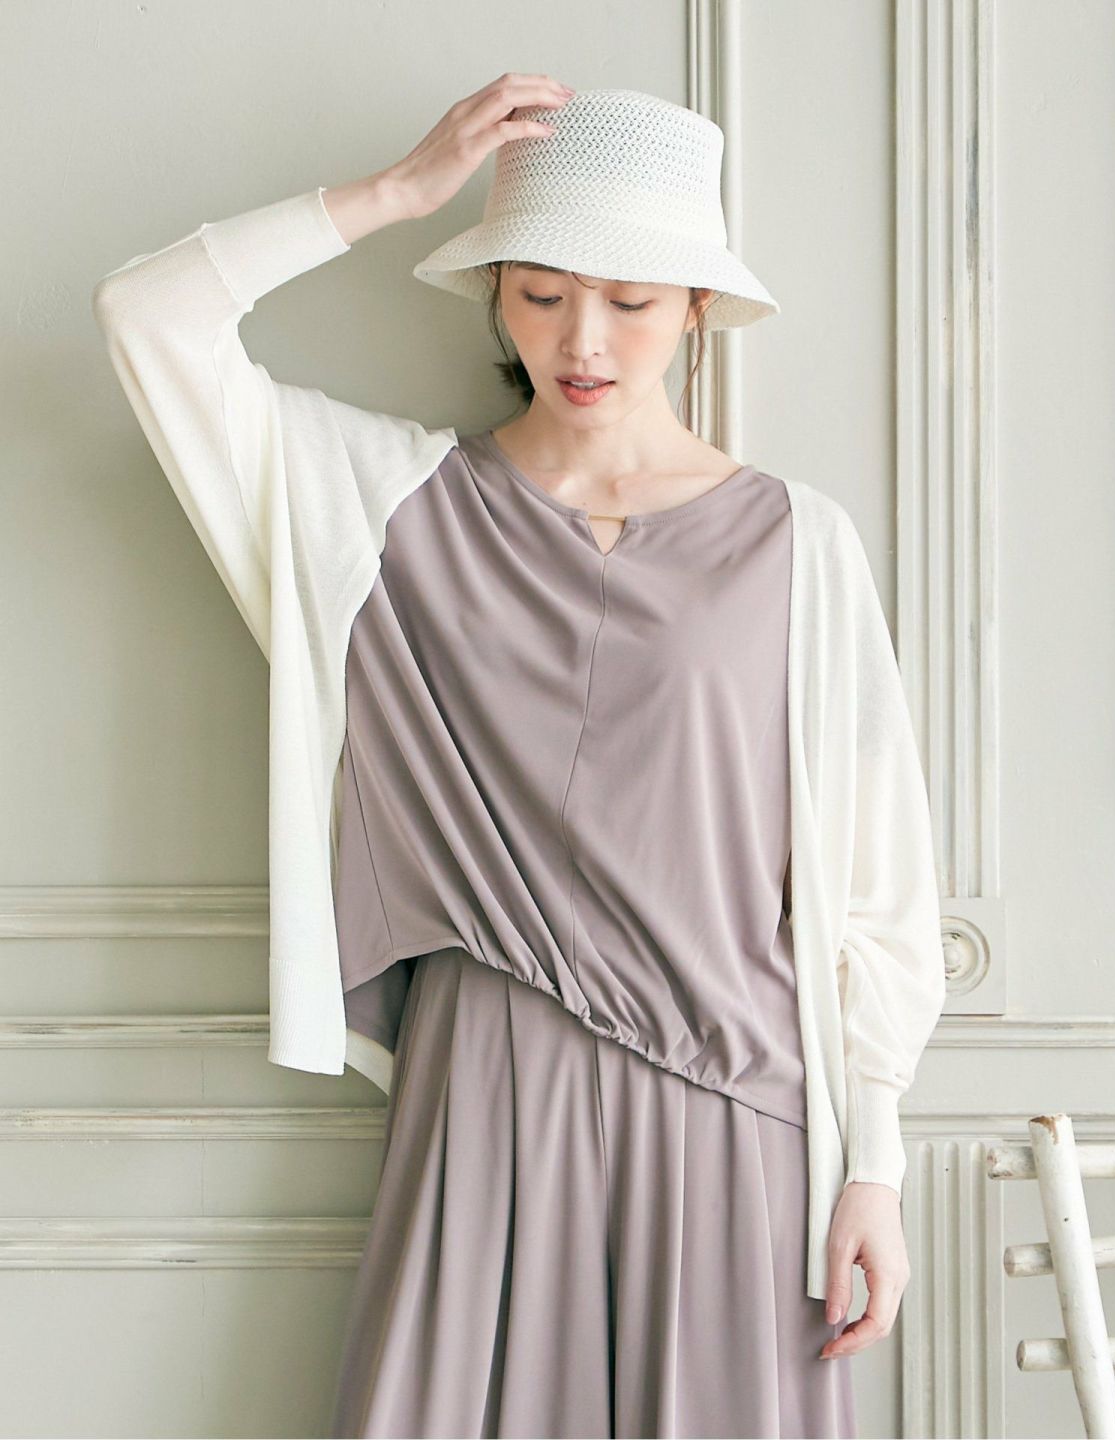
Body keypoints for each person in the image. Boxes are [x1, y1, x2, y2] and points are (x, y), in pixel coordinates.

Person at [93, 76, 946, 1440]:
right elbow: (147, 318)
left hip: (741, 1101)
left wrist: (877, 1166)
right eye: (541, 294)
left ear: (699, 307)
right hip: (488, 1079)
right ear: (494, 295)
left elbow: (877, 885)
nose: (582, 341)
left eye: (631, 301)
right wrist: (395, 193)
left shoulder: (800, 545)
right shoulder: (383, 507)